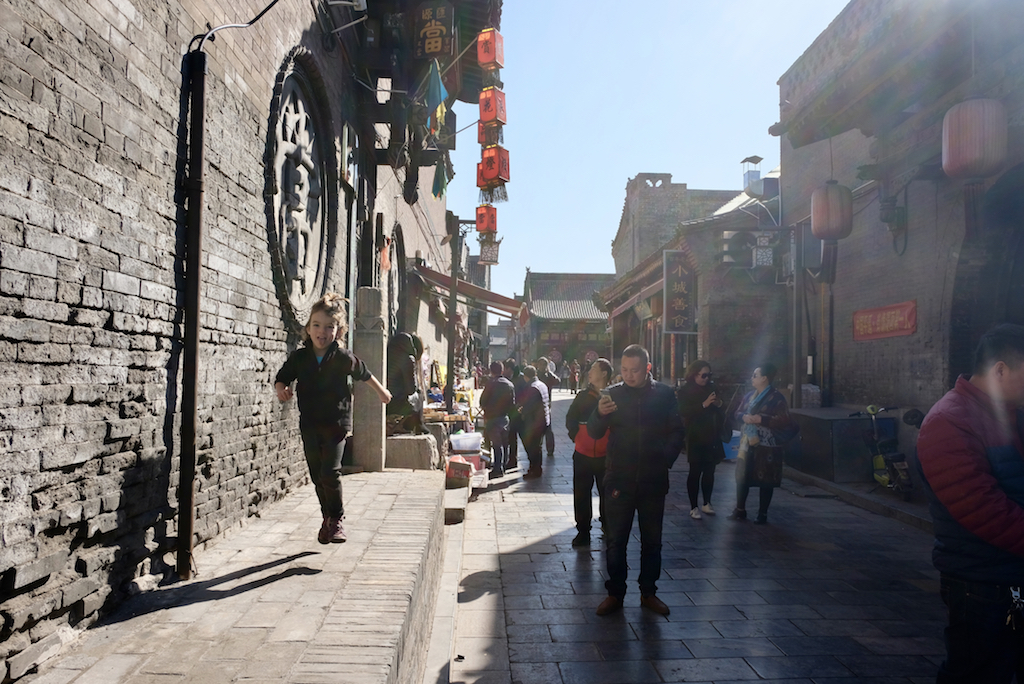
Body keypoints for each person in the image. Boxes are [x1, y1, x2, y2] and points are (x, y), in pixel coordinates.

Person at [916, 323, 1024, 683]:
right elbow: (985, 512)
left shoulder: (1011, 412)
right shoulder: (948, 421)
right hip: (983, 584)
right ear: (1000, 370)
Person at [275, 293, 392, 544]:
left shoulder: (342, 357)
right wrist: (281, 389)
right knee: (317, 475)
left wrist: (381, 392)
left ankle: (337, 519)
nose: (322, 331)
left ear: (338, 331)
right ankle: (327, 518)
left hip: (336, 424)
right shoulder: (300, 358)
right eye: (316, 325)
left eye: (329, 327)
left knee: (330, 471)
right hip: (309, 424)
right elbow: (282, 377)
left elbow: (364, 373)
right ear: (308, 328)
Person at [587, 344, 685, 616]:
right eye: (625, 370)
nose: (629, 375)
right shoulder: (613, 394)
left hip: (653, 479)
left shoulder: (664, 394)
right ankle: (615, 593)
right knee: (616, 540)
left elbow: (677, 431)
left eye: (635, 370)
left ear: (648, 368)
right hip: (620, 478)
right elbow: (594, 432)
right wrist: (599, 414)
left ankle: (648, 592)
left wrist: (664, 458)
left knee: (652, 541)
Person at [728, 363, 792, 525]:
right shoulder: (749, 395)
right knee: (742, 476)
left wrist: (761, 419)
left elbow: (784, 419)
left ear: (764, 378)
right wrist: (743, 417)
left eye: (755, 375)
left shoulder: (777, 398)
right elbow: (737, 412)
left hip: (767, 445)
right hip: (747, 443)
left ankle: (762, 513)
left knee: (766, 479)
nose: (752, 378)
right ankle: (740, 509)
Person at [565, 358, 613, 547]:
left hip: (606, 456)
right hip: (582, 454)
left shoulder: (613, 395)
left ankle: (608, 526)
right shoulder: (583, 396)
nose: (589, 372)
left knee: (607, 493)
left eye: (594, 368)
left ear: (604, 373)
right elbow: (570, 418)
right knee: (581, 494)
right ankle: (583, 531)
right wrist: (577, 436)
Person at [677, 360, 726, 520]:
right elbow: (683, 411)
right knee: (695, 471)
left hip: (712, 434)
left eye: (709, 375)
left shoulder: (712, 388)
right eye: (703, 375)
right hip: (695, 435)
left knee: (710, 470)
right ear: (694, 374)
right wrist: (703, 405)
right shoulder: (685, 390)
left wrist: (719, 404)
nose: (706, 379)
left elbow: (722, 408)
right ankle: (693, 506)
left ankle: (707, 502)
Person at [479, 361, 515, 477]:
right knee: (505, 444)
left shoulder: (490, 383)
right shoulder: (509, 384)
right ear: (502, 371)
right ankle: (503, 466)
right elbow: (512, 404)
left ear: (491, 371)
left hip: (492, 418)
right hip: (504, 418)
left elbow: (482, 401)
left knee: (496, 445)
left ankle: (497, 469)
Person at [385, 332, 424, 435]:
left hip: (384, 399)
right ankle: (420, 427)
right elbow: (411, 390)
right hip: (396, 403)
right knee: (419, 395)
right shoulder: (408, 358)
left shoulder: (387, 353)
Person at [517, 365, 550, 480]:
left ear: (525, 376)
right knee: (537, 447)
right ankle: (536, 469)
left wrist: (522, 410)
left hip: (535, 423)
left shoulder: (532, 388)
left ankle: (534, 469)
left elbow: (531, 406)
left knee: (533, 448)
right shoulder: (542, 384)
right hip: (544, 420)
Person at [503, 358, 526, 470]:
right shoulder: (510, 378)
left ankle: (532, 461)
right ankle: (512, 460)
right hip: (512, 411)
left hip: (519, 411)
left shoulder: (520, 378)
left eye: (505, 369)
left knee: (523, 437)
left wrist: (520, 406)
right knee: (512, 437)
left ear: (509, 369)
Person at [535, 357, 560, 457]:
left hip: (546, 404)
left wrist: (550, 372)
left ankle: (550, 449)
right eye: (540, 364)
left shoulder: (549, 375)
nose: (542, 366)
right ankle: (538, 446)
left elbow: (558, 381)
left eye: (544, 365)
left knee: (547, 427)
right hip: (536, 404)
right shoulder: (536, 374)